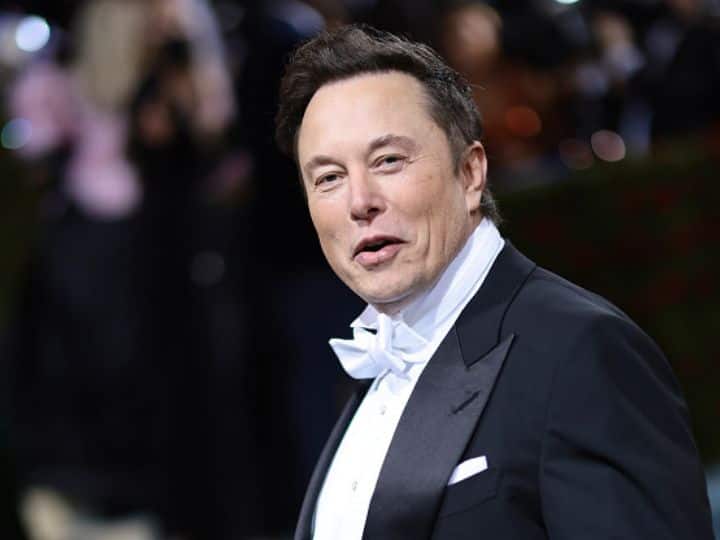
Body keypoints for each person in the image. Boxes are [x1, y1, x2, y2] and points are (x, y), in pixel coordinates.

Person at [274, 25, 714, 540]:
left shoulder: (580, 352)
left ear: (470, 173)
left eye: (388, 160)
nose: (359, 201)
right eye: (328, 177)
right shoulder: (371, 370)